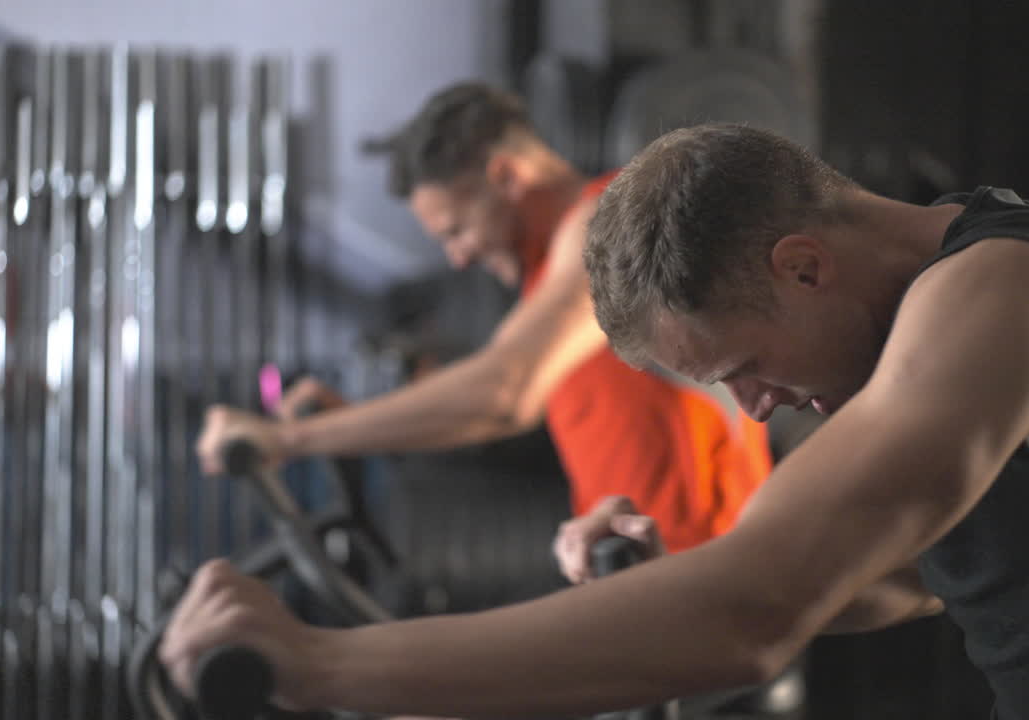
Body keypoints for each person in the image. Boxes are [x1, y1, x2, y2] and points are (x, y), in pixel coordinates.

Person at [164, 122, 1029, 720]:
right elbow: (922, 581)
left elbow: (754, 615)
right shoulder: (955, 316)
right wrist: (674, 570)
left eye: (741, 367)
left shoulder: (1006, 291)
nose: (752, 408)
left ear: (802, 264)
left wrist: (321, 667)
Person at [194, 83, 773, 574]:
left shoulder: (611, 224)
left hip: (706, 578)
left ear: (504, 175)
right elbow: (513, 417)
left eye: (455, 230)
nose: (458, 258)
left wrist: (287, 441)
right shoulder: (546, 289)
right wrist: (348, 419)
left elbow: (504, 394)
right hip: (639, 576)